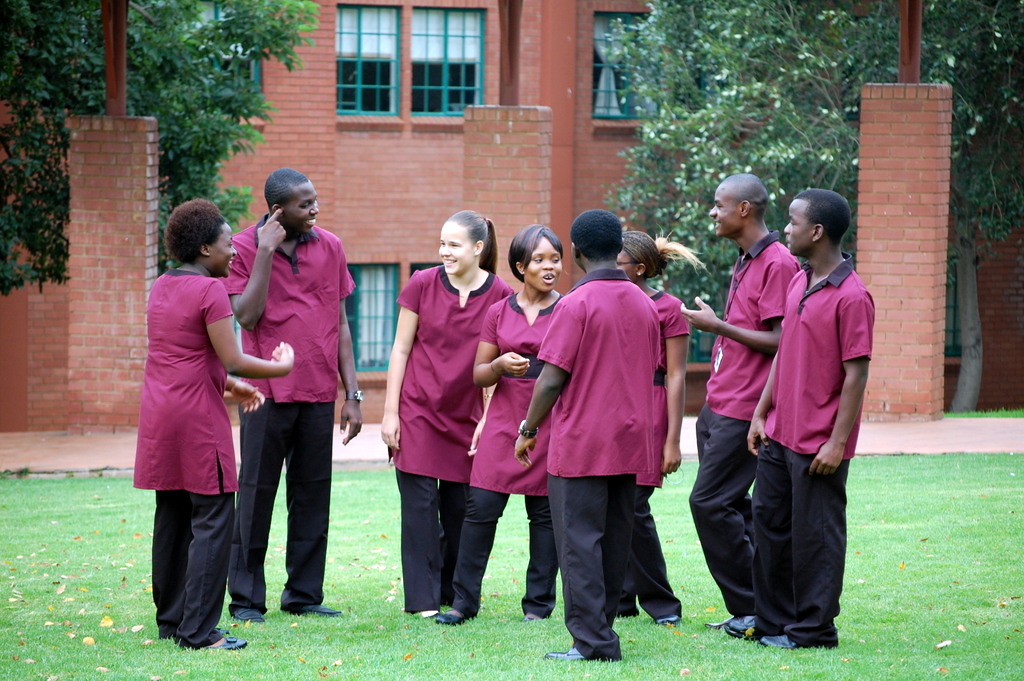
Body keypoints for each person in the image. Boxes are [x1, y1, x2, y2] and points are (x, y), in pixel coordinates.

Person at [135, 198, 294, 650]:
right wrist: (280, 367)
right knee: (214, 519)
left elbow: (182, 356)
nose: (236, 252)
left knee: (173, 515)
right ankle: (199, 632)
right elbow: (234, 356)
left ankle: (171, 622)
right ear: (205, 249)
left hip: (161, 416)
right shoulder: (210, 291)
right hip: (198, 422)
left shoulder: (162, 285)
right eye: (228, 245)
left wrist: (230, 386)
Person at [515, 209, 660, 662]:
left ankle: (593, 643)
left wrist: (528, 428)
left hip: (581, 442)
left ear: (575, 252)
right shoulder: (644, 302)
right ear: (618, 248)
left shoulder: (574, 304)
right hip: (630, 439)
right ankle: (603, 630)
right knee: (616, 539)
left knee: (578, 542)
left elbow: (551, 379)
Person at [225, 168, 362, 622]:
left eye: (315, 200)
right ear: (277, 210)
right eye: (305, 204)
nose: (315, 209)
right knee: (256, 494)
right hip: (265, 395)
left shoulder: (332, 246)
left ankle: (303, 594)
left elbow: (341, 323)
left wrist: (353, 393)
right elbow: (246, 316)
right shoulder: (244, 248)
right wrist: (265, 251)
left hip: (318, 391)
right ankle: (246, 598)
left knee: (311, 496)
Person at [747, 189, 874, 649]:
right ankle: (774, 622)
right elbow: (785, 352)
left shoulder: (853, 296)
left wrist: (837, 444)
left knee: (816, 536)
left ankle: (815, 630)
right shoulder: (798, 281)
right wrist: (762, 411)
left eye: (792, 221)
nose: (786, 228)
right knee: (769, 524)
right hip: (780, 433)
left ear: (816, 231)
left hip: (819, 442)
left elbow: (856, 374)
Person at [680, 173, 800, 637]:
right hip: (717, 404)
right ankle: (763, 605)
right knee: (733, 507)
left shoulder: (778, 263)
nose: (713, 212)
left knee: (708, 502)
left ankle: (751, 607)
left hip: (744, 409)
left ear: (744, 209)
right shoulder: (746, 260)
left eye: (719, 204)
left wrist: (717, 326)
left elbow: (780, 341)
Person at [382, 210, 513, 617]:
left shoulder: (501, 294)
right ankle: (421, 602)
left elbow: (497, 366)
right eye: (442, 244)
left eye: (453, 245)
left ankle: (453, 595)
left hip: (467, 417)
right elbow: (401, 349)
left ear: (478, 248)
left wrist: (488, 420)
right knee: (419, 512)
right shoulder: (421, 283)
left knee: (459, 512)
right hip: (417, 410)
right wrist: (390, 413)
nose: (444, 252)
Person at [436, 225, 563, 626]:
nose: (550, 267)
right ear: (520, 266)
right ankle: (463, 603)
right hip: (503, 421)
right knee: (480, 512)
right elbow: (478, 375)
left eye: (556, 259)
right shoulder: (498, 311)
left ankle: (537, 607)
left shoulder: (569, 308)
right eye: (540, 260)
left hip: (548, 421)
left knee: (545, 518)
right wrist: (498, 365)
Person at [615, 231, 702, 627]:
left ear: (641, 268)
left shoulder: (668, 308)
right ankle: (621, 598)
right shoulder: (608, 300)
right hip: (611, 408)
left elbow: (678, 376)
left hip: (649, 407)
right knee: (615, 505)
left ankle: (662, 603)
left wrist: (673, 441)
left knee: (634, 506)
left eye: (617, 263)